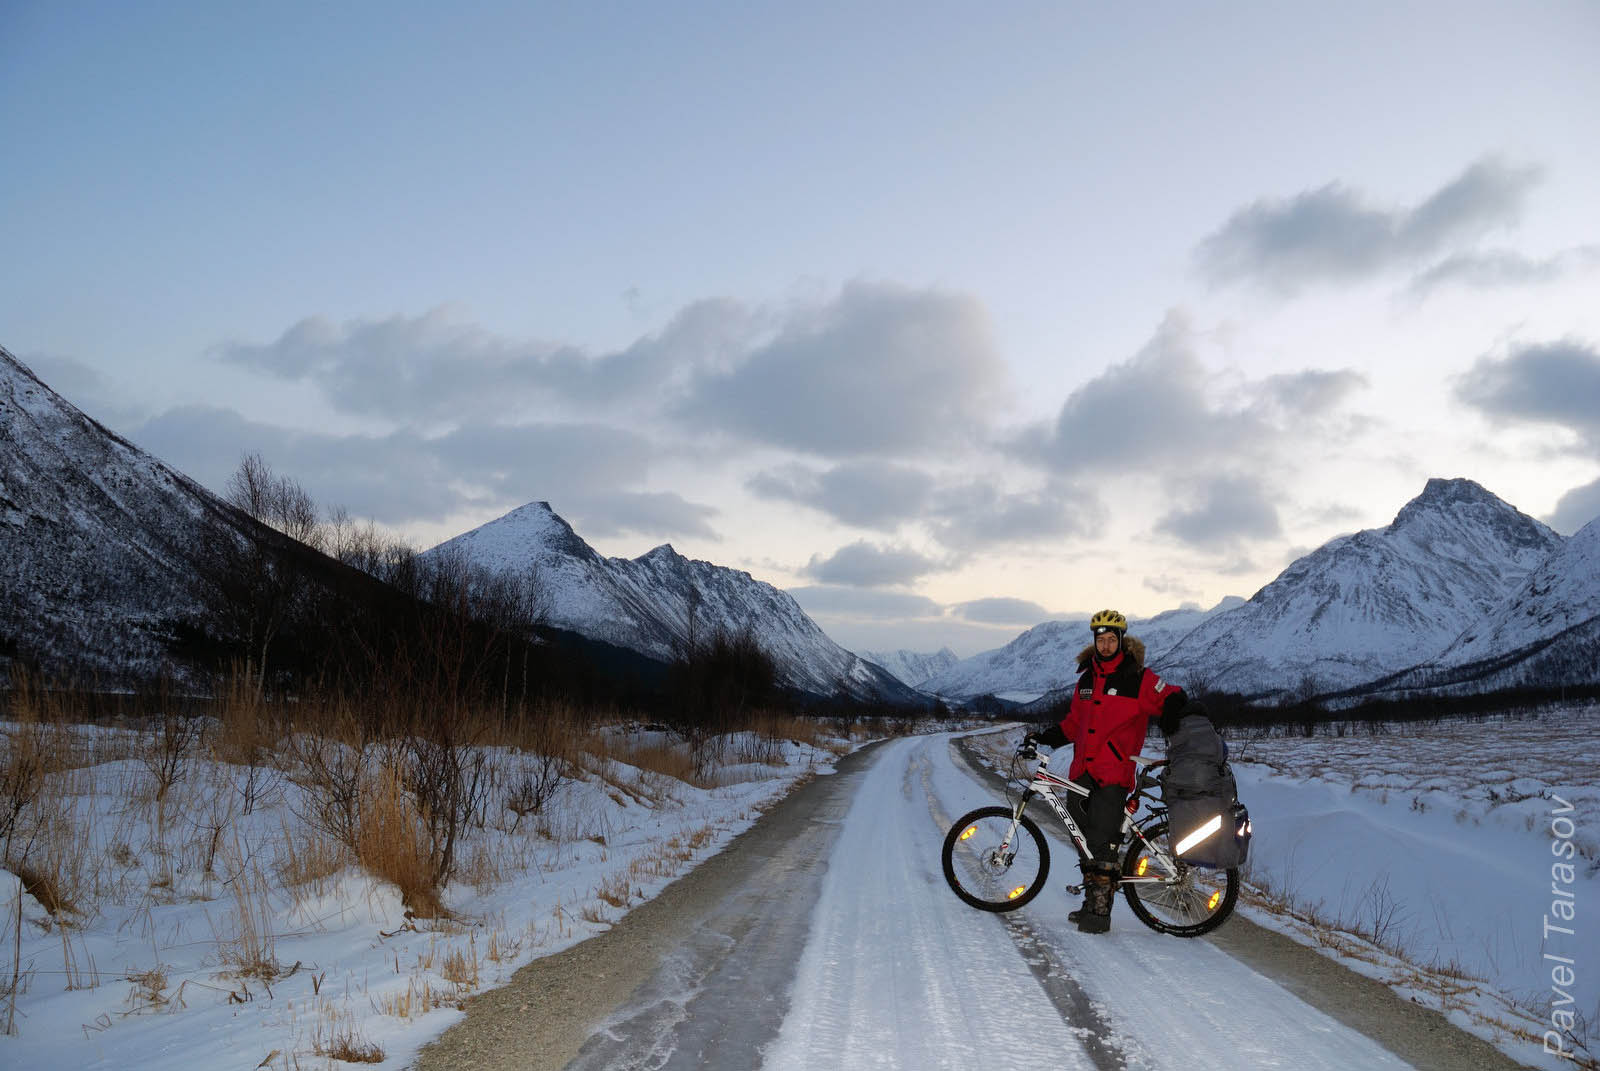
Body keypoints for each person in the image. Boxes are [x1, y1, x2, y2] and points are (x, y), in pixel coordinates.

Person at [1025, 609, 1190, 934]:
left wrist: (1176, 709)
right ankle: (1091, 901)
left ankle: (1099, 915)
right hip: (1082, 770)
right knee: (1082, 838)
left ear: (1121, 641)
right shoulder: (1086, 679)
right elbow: (1074, 723)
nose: (1105, 645)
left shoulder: (1137, 677)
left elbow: (1170, 695)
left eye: (1112, 639)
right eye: (1101, 639)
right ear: (1095, 641)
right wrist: (1045, 737)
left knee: (1102, 841)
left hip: (1113, 771)